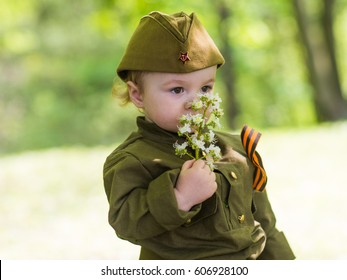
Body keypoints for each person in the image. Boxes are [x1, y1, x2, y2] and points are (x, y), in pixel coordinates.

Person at [103, 11, 295, 260]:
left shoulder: (237, 149)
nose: (195, 102)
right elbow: (126, 224)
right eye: (177, 90)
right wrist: (179, 197)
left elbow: (265, 226)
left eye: (205, 87)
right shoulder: (132, 160)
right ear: (138, 95)